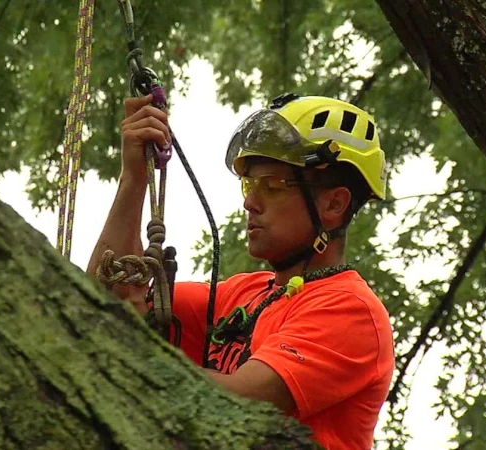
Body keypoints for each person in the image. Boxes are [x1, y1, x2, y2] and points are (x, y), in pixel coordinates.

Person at [87, 92, 395, 449]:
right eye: (249, 184)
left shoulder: (350, 310)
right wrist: (134, 178)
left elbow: (233, 403)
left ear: (333, 204)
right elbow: (110, 302)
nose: (249, 201)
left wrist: (121, 360)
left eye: (273, 186)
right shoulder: (242, 295)